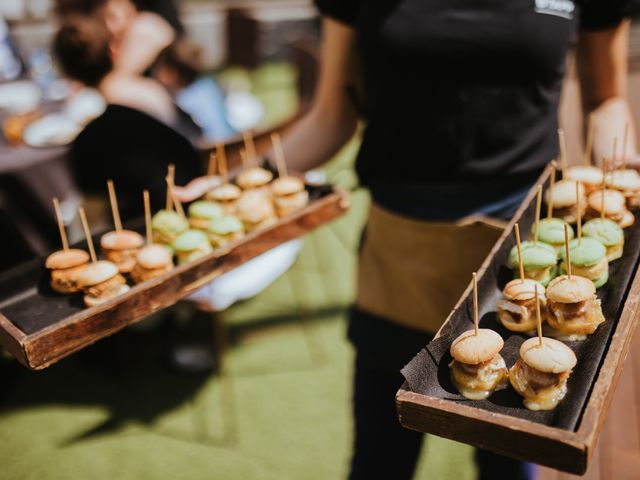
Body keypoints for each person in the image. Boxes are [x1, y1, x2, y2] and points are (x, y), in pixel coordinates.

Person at [177, 1, 639, 479]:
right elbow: (330, 116)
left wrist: (627, 177)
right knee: (380, 462)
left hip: (522, 267)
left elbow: (606, 103)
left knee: (507, 465)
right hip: (397, 264)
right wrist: (243, 182)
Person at [53, 16, 202, 220]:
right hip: (193, 196)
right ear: (113, 51)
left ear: (65, 71)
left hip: (148, 219)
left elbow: (95, 208)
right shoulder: (151, 89)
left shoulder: (86, 133)